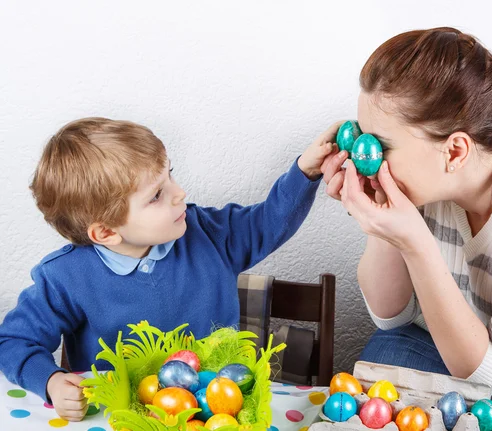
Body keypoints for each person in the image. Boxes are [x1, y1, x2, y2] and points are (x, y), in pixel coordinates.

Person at [320, 27, 492, 403]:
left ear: (455, 152)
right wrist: (383, 222)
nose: (363, 155)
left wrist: (415, 244)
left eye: (379, 146)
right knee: (382, 357)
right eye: (361, 136)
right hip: (458, 347)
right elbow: (391, 316)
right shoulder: (425, 178)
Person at [0, 117, 339, 421]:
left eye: (170, 175)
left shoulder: (207, 233)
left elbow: (268, 222)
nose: (180, 194)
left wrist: (305, 172)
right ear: (106, 232)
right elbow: (14, 341)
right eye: (157, 195)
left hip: (217, 414)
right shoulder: (64, 277)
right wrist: (51, 381)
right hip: (118, 420)